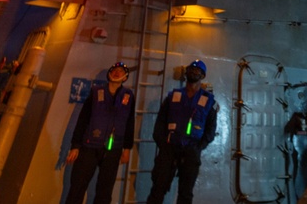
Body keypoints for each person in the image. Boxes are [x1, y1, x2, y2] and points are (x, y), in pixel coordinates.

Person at [147, 60, 218, 204]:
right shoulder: (173, 97)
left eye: (198, 70)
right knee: (158, 189)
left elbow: (211, 129)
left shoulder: (208, 101)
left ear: (203, 76)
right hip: (169, 149)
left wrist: (199, 147)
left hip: (191, 151)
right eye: (191, 69)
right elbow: (160, 122)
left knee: (185, 194)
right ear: (186, 73)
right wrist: (163, 144)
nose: (194, 72)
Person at [65, 62, 135, 204]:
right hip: (89, 147)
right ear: (109, 73)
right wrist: (75, 145)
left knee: (105, 191)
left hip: (113, 149)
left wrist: (127, 149)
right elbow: (83, 119)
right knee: (77, 187)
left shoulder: (128, 96)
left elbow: (130, 123)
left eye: (121, 71)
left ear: (125, 77)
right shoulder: (96, 92)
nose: (117, 72)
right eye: (115, 70)